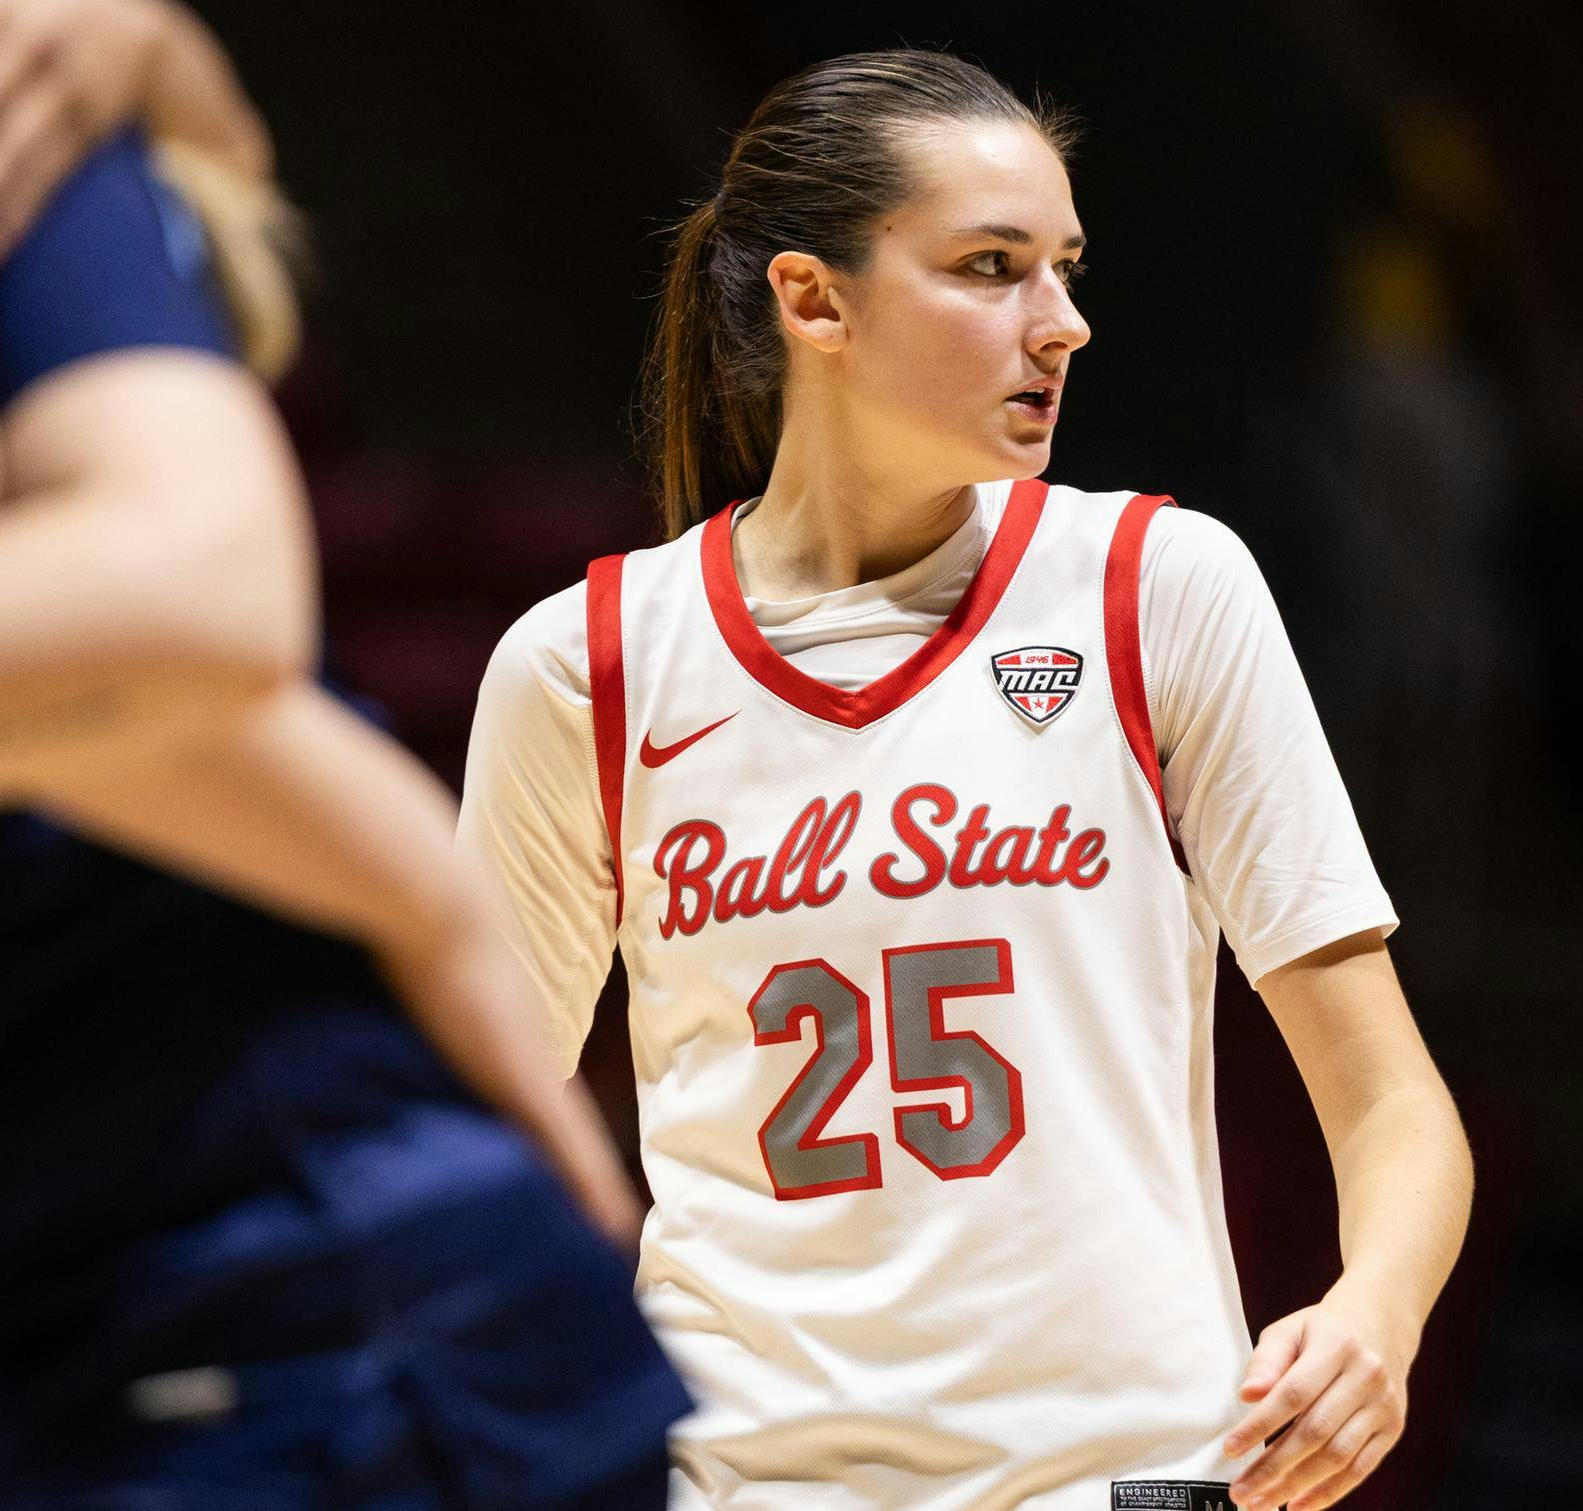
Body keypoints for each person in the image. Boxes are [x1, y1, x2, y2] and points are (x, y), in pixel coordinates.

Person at [0, 0, 687, 1504]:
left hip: (179, 1233)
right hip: (218, 1232)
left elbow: (73, 632)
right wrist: (419, 880)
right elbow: (62, 628)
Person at [459, 47, 1474, 1511]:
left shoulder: (1156, 588)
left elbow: (1392, 1102)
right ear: (814, 301)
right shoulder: (588, 666)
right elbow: (495, 1137)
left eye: (1064, 268)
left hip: (1125, 1477)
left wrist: (1374, 1315)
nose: (1060, 323)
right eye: (992, 268)